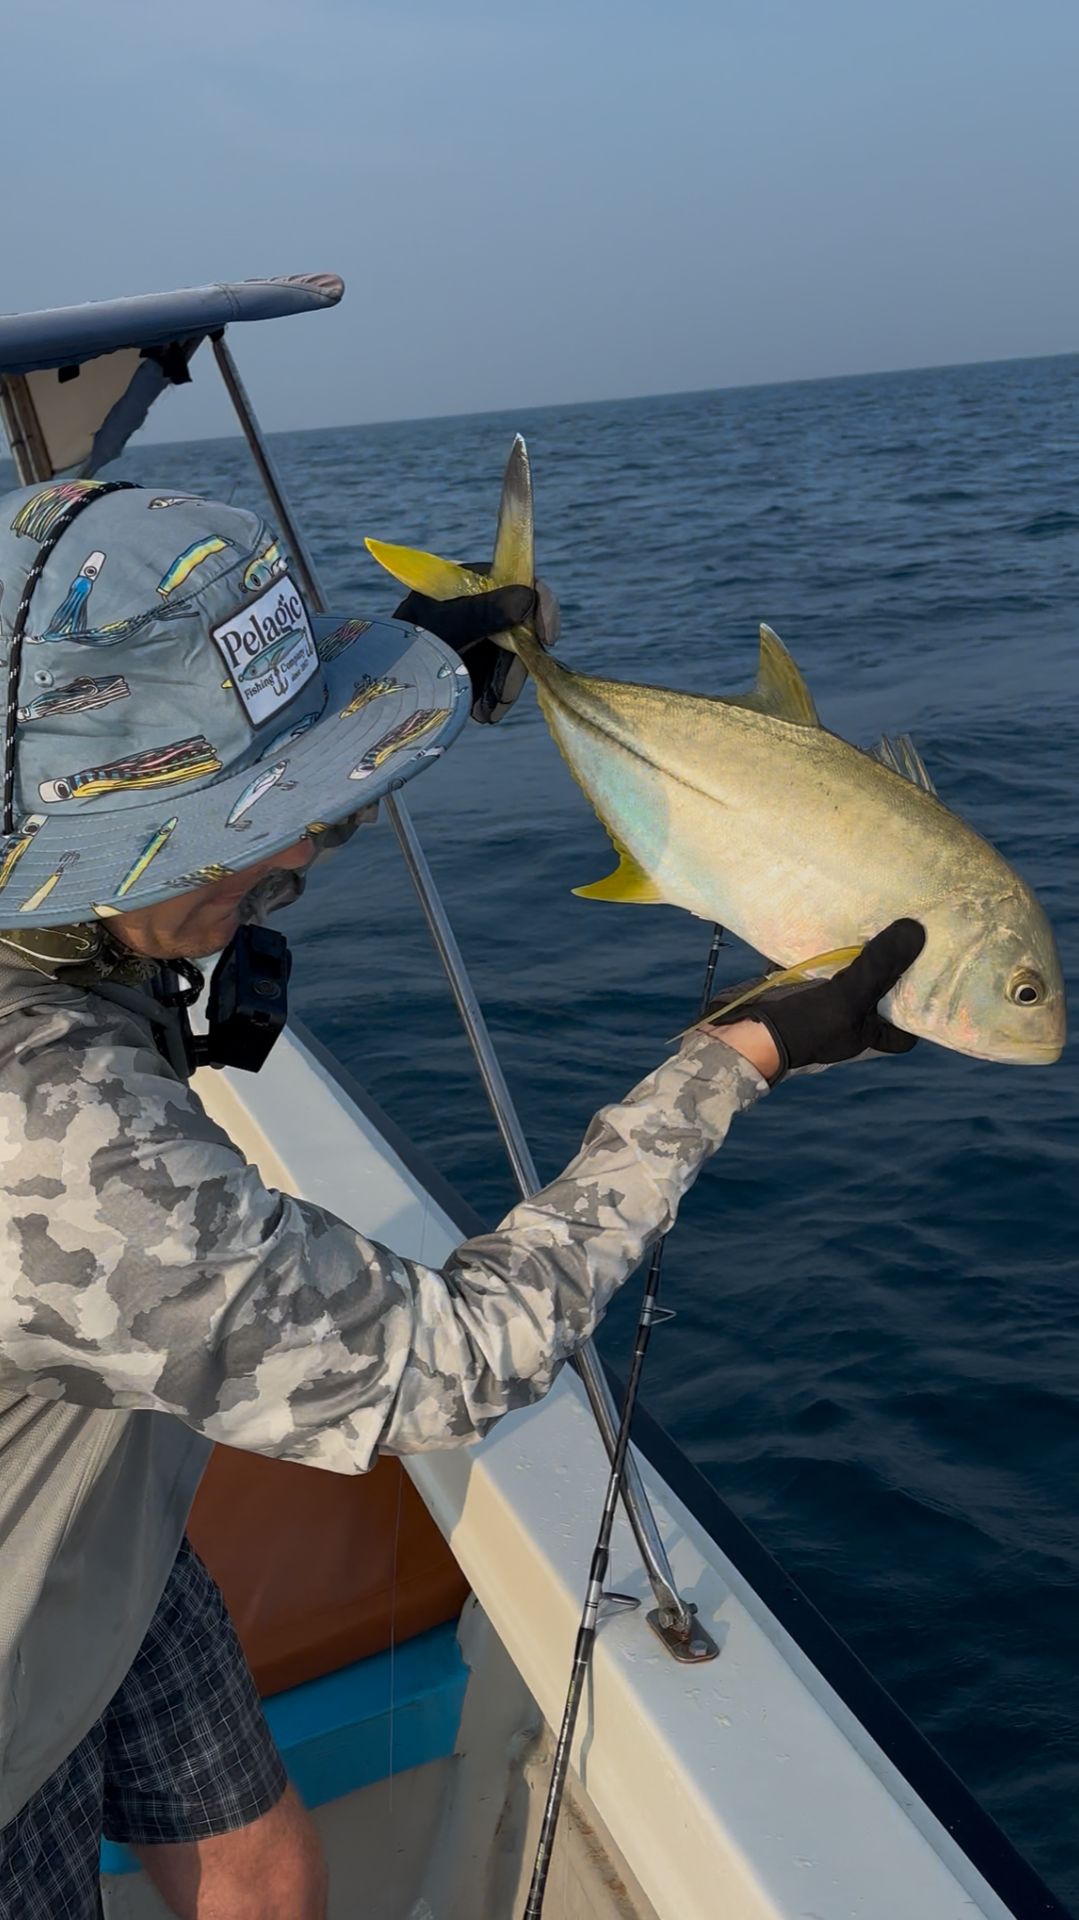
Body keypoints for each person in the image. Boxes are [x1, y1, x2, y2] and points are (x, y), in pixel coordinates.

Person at [0, 478, 924, 1920]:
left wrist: (442, 665)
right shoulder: (55, 1138)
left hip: (105, 1530)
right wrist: (735, 1059)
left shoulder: (59, 896)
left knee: (266, 1879)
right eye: (263, 814)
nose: (304, 847)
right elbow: (456, 1360)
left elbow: (210, 836)